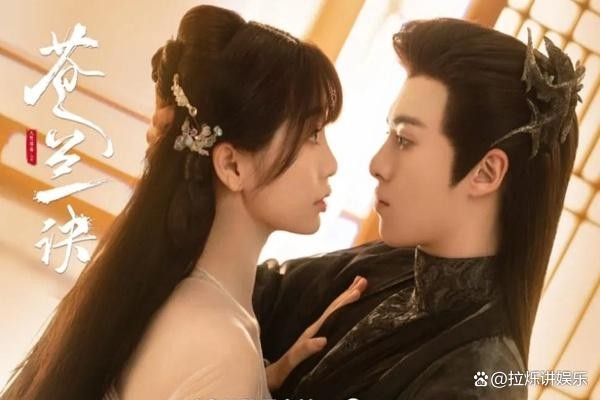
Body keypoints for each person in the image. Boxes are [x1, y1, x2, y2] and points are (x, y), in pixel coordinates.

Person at [0, 5, 370, 400]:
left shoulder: (170, 296)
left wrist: (267, 378)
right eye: (312, 133)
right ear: (232, 166)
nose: (330, 164)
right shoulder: (220, 347)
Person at [251, 18, 585, 399]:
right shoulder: (387, 266)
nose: (377, 164)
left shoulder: (478, 378)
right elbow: (251, 295)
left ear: (486, 172)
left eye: (404, 140)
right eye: (389, 133)